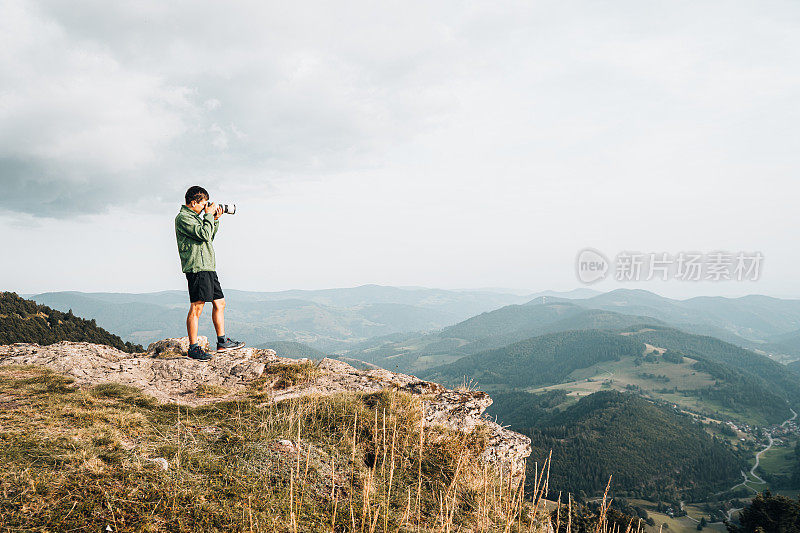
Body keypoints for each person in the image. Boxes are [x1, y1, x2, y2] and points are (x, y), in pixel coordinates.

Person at [175, 186, 245, 360]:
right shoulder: (184, 218)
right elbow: (204, 235)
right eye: (203, 204)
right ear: (193, 202)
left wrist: (215, 219)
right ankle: (193, 347)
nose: (205, 206)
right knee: (197, 307)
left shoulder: (197, 218)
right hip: (197, 267)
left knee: (220, 303)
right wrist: (208, 216)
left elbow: (208, 237)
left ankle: (222, 342)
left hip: (207, 266)